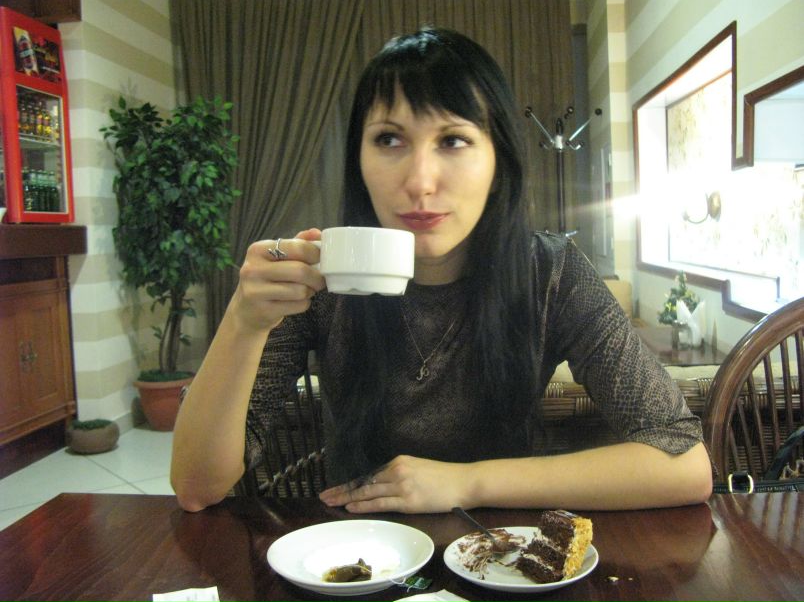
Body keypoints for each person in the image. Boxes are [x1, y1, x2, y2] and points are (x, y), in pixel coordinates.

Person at [171, 27, 712, 513]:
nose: (420, 181)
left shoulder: (550, 272)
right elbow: (197, 487)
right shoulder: (325, 277)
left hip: (505, 553)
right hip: (358, 555)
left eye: (453, 140)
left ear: (498, 159)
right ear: (358, 159)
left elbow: (685, 463)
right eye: (389, 140)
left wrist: (467, 484)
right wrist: (244, 320)